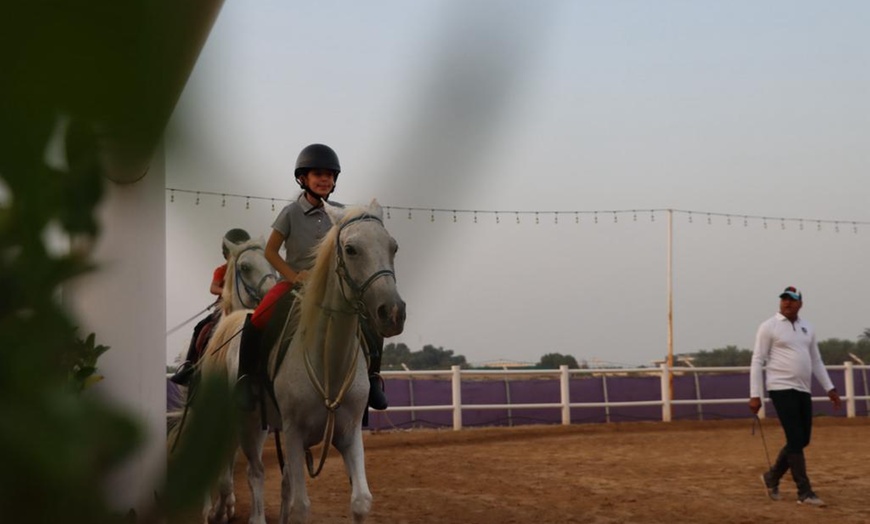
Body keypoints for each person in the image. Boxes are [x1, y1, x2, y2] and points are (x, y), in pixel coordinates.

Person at [235, 143, 388, 411]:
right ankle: (247, 379)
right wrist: (293, 276)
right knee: (258, 318)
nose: (325, 179)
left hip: (336, 287)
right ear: (303, 179)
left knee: (370, 320)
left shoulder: (342, 214)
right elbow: (270, 251)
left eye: (329, 175)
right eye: (318, 174)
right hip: (295, 284)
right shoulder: (290, 213)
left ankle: (373, 378)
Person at [749, 286, 841, 507]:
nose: (787, 303)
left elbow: (816, 360)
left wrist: (830, 388)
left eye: (791, 299)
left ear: (800, 303)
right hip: (780, 388)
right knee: (795, 439)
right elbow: (757, 360)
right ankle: (804, 492)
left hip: (803, 389)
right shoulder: (768, 327)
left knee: (801, 439)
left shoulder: (807, 327)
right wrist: (755, 394)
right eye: (784, 299)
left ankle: (771, 477)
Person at [170, 227, 251, 385]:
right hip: (224, 308)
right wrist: (227, 292)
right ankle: (190, 367)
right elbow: (213, 288)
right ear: (226, 253)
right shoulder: (221, 270)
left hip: (244, 309)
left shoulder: (245, 269)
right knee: (201, 327)